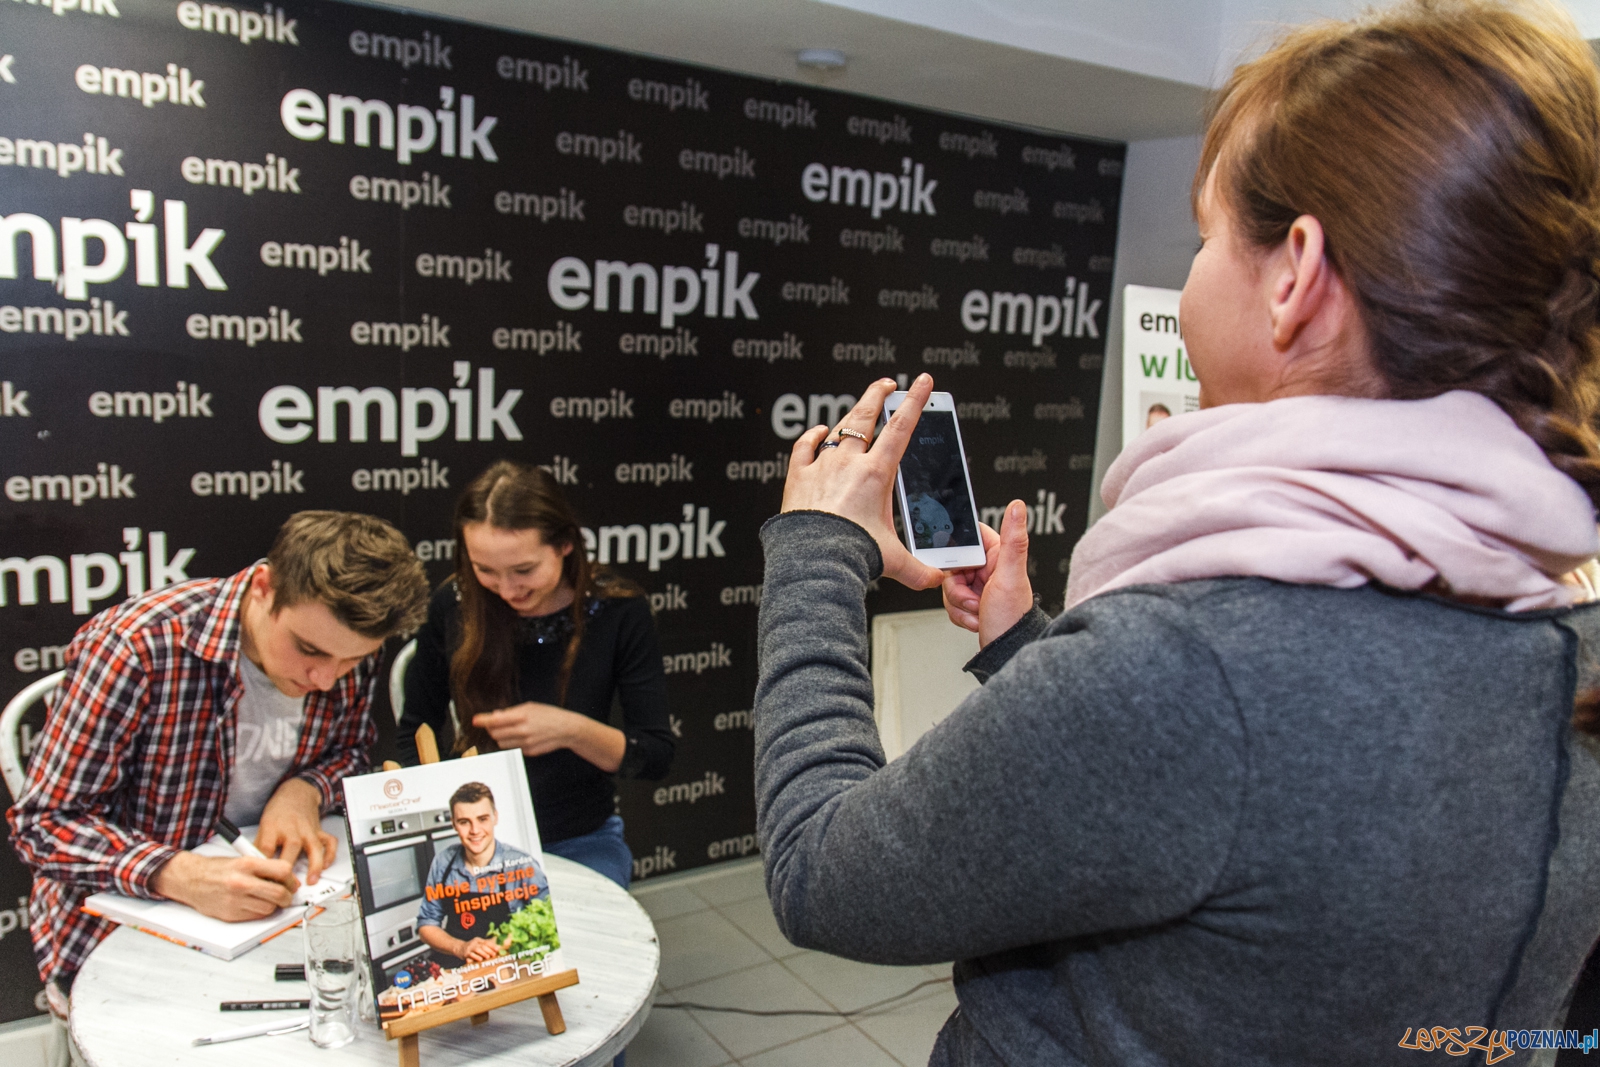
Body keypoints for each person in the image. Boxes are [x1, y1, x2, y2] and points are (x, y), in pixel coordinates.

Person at [753, 3, 1600, 1064]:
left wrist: (816, 551)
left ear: (1294, 274)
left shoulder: (1184, 667)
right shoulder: (1566, 628)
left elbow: (819, 871)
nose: (1191, 282)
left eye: (1203, 236)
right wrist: (1032, 654)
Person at [7, 511, 430, 1010]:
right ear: (264, 587)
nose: (326, 679)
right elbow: (44, 823)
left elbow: (351, 752)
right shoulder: (137, 647)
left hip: (281, 915)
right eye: (308, 649)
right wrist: (176, 874)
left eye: (354, 660)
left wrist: (305, 791)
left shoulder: (341, 642)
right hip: (122, 926)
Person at [399, 461, 673, 889]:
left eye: (524, 570)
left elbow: (655, 754)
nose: (507, 591)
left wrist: (571, 731)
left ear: (565, 544)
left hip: (578, 836)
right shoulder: (454, 603)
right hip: (468, 836)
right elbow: (413, 729)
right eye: (484, 570)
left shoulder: (618, 611)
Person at [416, 781, 548, 967]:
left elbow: (545, 918)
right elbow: (426, 924)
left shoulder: (521, 864)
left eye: (482, 819)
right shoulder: (443, 861)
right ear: (454, 823)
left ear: (495, 817)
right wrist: (460, 947)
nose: (475, 831)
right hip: (454, 966)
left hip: (506, 965)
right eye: (464, 822)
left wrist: (495, 945)